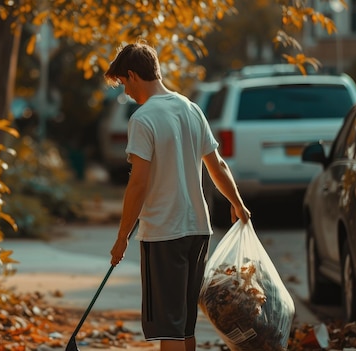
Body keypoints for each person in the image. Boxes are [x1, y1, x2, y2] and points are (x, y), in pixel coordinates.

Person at [105, 41, 251, 351]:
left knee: (168, 327)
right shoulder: (191, 108)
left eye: (123, 83)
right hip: (198, 230)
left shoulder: (143, 119)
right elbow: (217, 165)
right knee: (184, 326)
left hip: (164, 233)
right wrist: (238, 204)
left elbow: (138, 184)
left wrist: (122, 237)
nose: (125, 92)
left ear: (132, 75)